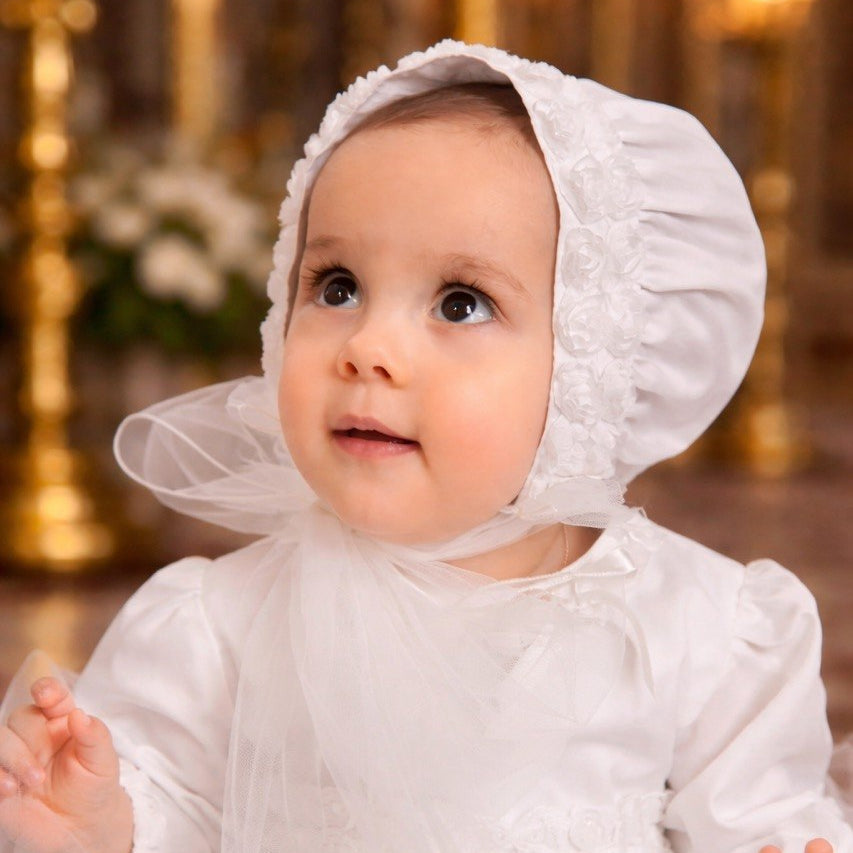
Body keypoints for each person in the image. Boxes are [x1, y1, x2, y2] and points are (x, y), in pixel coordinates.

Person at [0, 40, 849, 853]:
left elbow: (763, 815)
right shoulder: (215, 626)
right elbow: (167, 806)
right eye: (336, 286)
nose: (368, 347)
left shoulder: (694, 628)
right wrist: (100, 821)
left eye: (459, 303)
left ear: (599, 363)